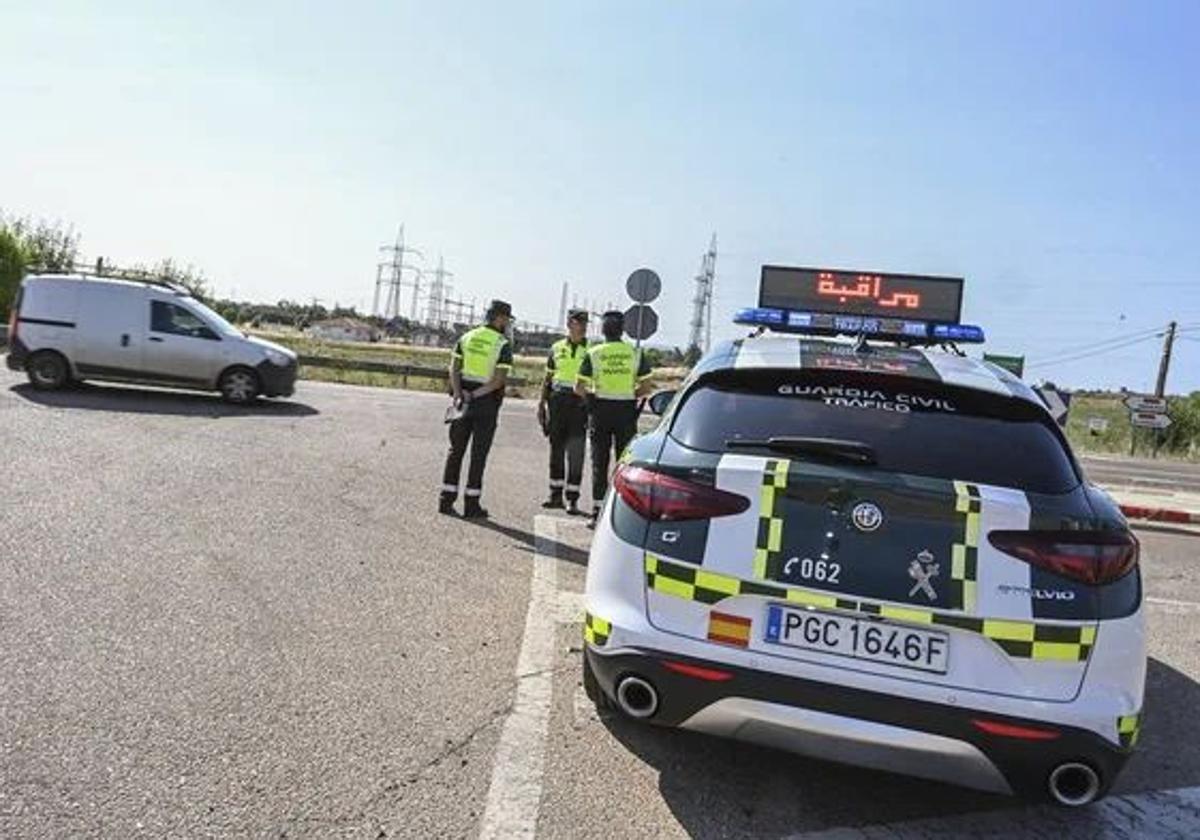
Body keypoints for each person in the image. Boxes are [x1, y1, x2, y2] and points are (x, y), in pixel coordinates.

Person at [575, 310, 653, 524]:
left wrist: (595, 396)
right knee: (625, 461)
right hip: (626, 413)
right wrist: (628, 395)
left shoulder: (594, 353)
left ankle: (597, 512)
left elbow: (579, 388)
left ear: (603, 330)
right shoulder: (636, 353)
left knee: (599, 462)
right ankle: (622, 511)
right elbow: (646, 387)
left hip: (600, 412)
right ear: (622, 330)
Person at [440, 300, 514, 518]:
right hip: (485, 401)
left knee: (455, 450)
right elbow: (498, 381)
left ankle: (445, 500)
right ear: (499, 318)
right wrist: (474, 395)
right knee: (478, 454)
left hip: (461, 397)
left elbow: (453, 368)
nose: (507, 323)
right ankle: (471, 504)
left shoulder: (466, 337)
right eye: (506, 319)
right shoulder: (502, 344)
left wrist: (458, 394)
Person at [538, 309, 589, 515]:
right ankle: (555, 494)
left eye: (585, 322)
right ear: (569, 323)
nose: (583, 326)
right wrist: (541, 403)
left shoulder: (592, 350)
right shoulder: (556, 348)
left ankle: (572, 498)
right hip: (557, 400)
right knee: (556, 448)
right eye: (579, 322)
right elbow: (547, 378)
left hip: (580, 402)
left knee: (576, 452)